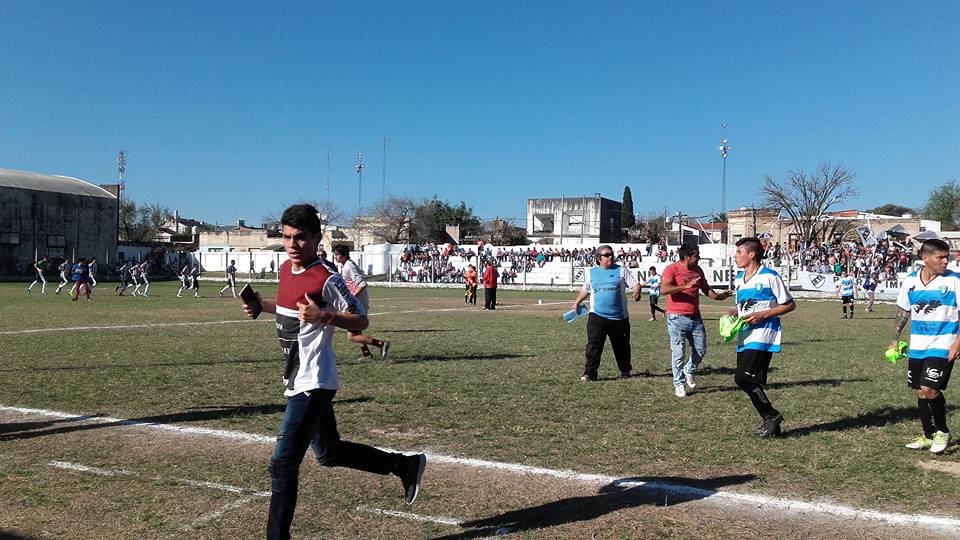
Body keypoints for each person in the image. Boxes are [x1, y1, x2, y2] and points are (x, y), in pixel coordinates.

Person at [241, 204, 425, 540]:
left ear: (315, 238)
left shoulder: (327, 277)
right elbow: (287, 310)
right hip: (295, 377)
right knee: (328, 452)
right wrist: (260, 306)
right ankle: (404, 465)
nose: (292, 245)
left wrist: (324, 316)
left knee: (283, 465)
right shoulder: (286, 269)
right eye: (286, 238)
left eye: (300, 238)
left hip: (315, 381)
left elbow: (361, 320)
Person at [891, 239, 955, 454]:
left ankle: (943, 432)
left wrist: (957, 344)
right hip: (918, 345)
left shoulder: (955, 281)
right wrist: (894, 338)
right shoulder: (910, 281)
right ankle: (928, 436)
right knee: (920, 392)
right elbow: (903, 311)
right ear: (924, 258)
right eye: (941, 257)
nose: (946, 261)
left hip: (944, 344)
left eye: (948, 257)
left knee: (930, 388)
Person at [731, 238, 796, 437]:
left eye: (739, 252)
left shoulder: (770, 276)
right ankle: (772, 425)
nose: (736, 256)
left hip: (765, 333)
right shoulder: (739, 280)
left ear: (751, 255)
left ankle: (771, 415)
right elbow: (747, 307)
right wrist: (734, 312)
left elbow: (789, 304)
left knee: (743, 378)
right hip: (746, 334)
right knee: (750, 381)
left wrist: (763, 315)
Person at [660, 243, 733, 397]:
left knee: (701, 349)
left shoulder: (698, 270)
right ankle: (678, 383)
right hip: (676, 317)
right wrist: (685, 286)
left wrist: (720, 297)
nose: (699, 258)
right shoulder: (672, 269)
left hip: (695, 317)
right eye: (696, 255)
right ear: (687, 257)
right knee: (678, 353)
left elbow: (706, 289)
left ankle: (689, 370)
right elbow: (664, 289)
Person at [572, 245, 641, 381]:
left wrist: (636, 291)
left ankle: (625, 370)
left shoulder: (621, 271)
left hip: (619, 317)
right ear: (599, 258)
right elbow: (585, 290)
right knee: (593, 345)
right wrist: (577, 302)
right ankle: (590, 373)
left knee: (621, 346)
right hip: (597, 316)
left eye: (611, 254)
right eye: (607, 255)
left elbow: (635, 284)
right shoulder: (592, 272)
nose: (610, 257)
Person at [333, 244, 390, 360]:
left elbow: (362, 284)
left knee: (351, 336)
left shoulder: (349, 266)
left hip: (357, 304)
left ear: (343, 255)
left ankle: (381, 344)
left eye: (337, 254)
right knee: (356, 332)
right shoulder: (346, 265)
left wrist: (351, 298)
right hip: (356, 303)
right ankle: (367, 354)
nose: (335, 256)